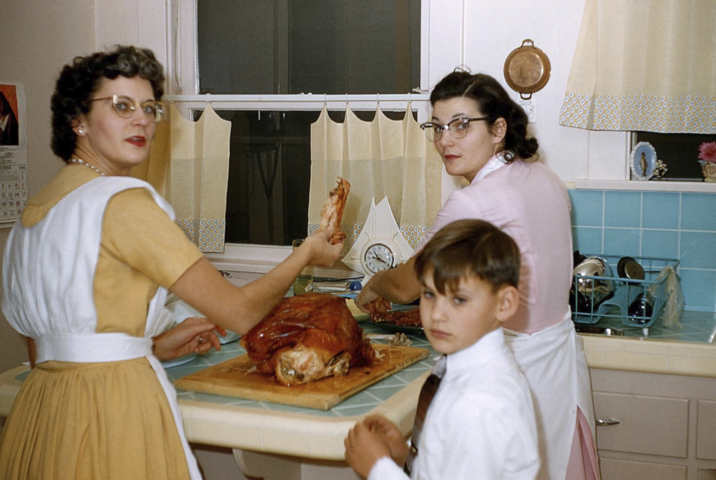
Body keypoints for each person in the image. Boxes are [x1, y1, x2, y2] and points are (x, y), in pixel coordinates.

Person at [0, 46, 343, 480]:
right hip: (112, 416)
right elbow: (239, 313)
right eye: (121, 106)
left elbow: (47, 352)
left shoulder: (35, 213)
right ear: (77, 119)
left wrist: (151, 347)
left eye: (149, 108)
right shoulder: (122, 203)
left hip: (40, 421)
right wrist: (307, 252)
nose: (141, 120)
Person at [355, 70, 598, 480]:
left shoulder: (472, 203)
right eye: (437, 127)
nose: (445, 140)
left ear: (498, 129)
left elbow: (406, 284)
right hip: (558, 371)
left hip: (513, 365)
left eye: (462, 125)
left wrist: (372, 285)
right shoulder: (548, 179)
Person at [345, 219, 540, 480]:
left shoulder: (480, 403)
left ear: (504, 304)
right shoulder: (459, 363)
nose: (436, 314)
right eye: (429, 294)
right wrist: (407, 454)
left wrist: (378, 469)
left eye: (458, 299)